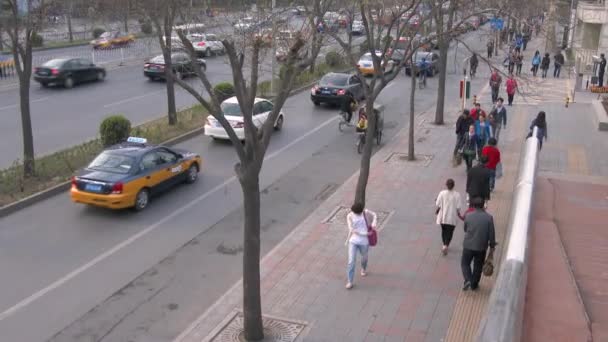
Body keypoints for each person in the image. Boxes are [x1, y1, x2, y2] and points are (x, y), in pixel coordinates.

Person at [461, 197, 497, 291]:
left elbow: (465, 228)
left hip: (468, 245)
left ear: (473, 206)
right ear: (483, 206)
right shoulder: (489, 218)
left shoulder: (468, 216)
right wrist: (492, 246)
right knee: (478, 266)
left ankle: (468, 279)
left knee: (465, 263)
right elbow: (491, 234)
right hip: (481, 247)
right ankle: (474, 284)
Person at [345, 202, 377, 289]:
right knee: (351, 261)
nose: (356, 214)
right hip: (353, 241)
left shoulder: (365, 212)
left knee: (364, 258)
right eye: (355, 213)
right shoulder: (350, 216)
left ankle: (363, 268)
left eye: (358, 213)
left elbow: (374, 215)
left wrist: (374, 224)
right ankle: (350, 281)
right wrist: (366, 233)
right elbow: (352, 230)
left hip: (364, 242)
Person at [435, 179, 463, 256]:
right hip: (452, 217)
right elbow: (458, 207)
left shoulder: (442, 193)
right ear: (453, 185)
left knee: (443, 231)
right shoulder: (457, 195)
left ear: (446, 185)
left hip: (443, 217)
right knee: (450, 232)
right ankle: (446, 245)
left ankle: (444, 244)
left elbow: (437, 203)